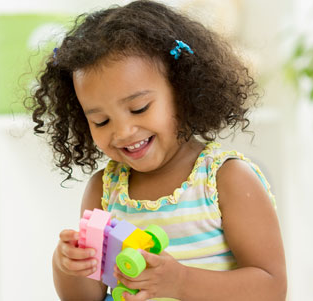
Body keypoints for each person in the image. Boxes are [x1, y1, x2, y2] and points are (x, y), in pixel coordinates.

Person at [27, 1, 287, 300]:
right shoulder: (105, 189)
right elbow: (88, 297)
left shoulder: (225, 179)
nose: (123, 131)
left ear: (182, 90)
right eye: (101, 120)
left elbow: (271, 286)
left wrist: (181, 282)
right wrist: (68, 267)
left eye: (139, 108)